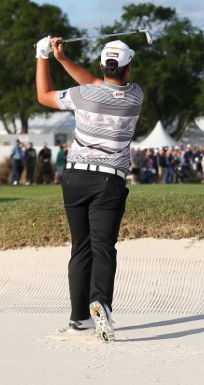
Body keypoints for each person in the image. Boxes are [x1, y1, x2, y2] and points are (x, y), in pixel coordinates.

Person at [36, 36, 142, 343]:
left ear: (102, 64)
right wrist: (62, 59)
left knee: (80, 248)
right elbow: (101, 82)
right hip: (109, 180)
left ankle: (77, 318)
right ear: (128, 67)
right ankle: (101, 303)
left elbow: (43, 95)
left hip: (74, 178)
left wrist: (44, 56)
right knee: (103, 247)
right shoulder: (135, 95)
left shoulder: (83, 95)